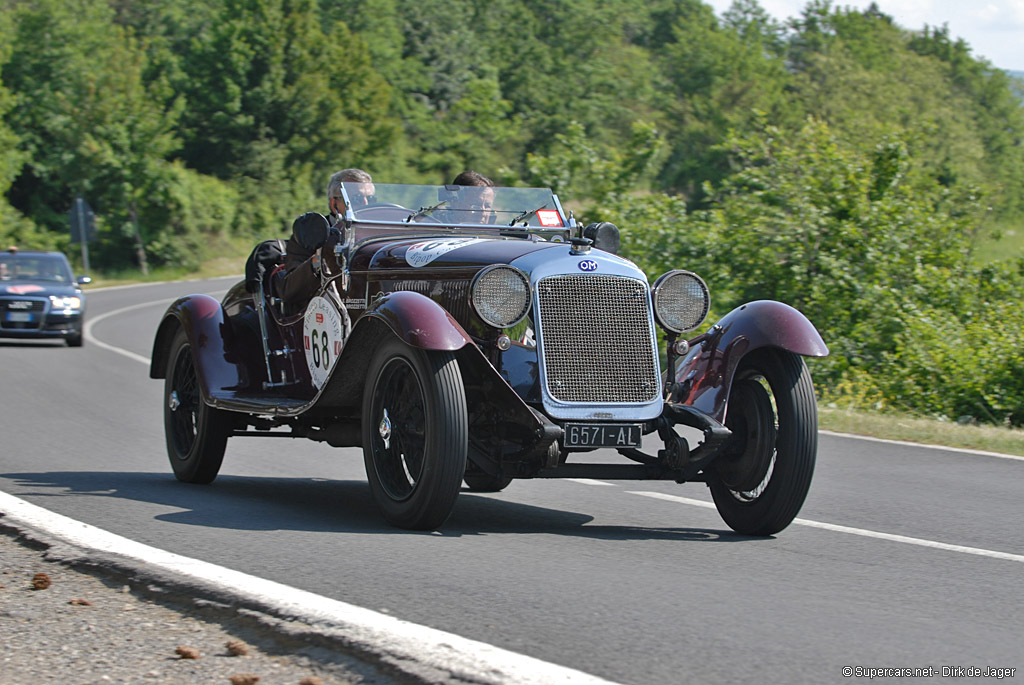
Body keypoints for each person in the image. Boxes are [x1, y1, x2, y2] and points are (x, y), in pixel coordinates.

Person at [281, 169, 372, 309]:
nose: (366, 204)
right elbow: (289, 291)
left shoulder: (379, 234)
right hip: (326, 313)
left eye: (371, 199)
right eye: (357, 199)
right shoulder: (310, 233)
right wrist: (319, 259)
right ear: (334, 204)